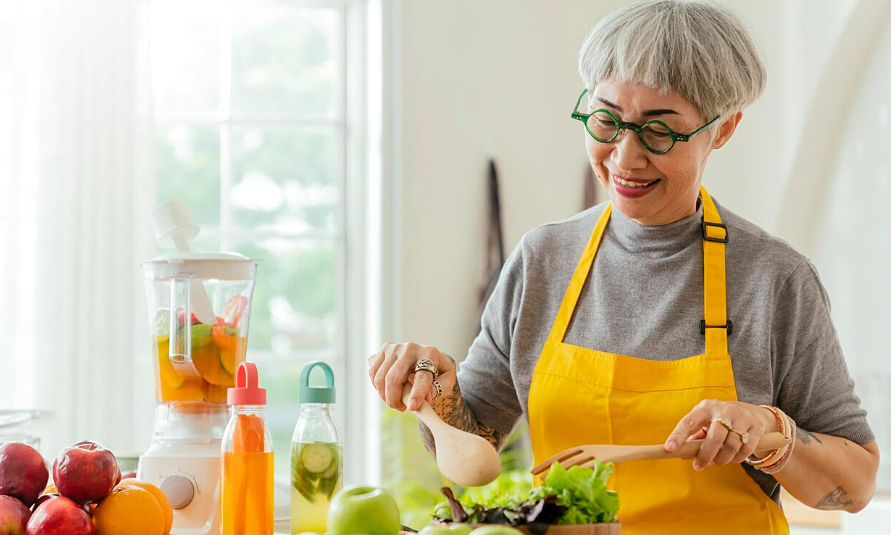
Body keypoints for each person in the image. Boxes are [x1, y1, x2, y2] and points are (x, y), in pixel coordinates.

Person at [367, 1, 879, 533]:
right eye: (607, 120)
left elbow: (856, 485)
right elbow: (476, 445)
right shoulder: (543, 260)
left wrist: (772, 431)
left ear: (722, 130)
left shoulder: (773, 279)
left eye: (659, 133)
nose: (625, 157)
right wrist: (435, 389)